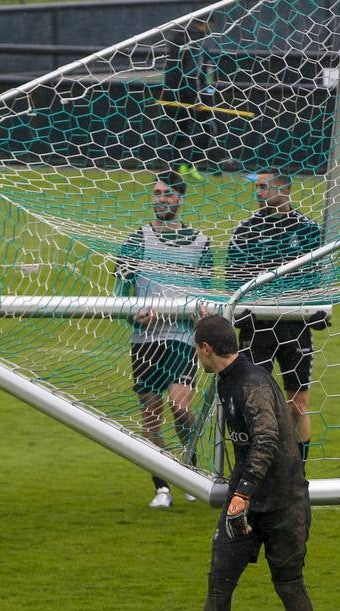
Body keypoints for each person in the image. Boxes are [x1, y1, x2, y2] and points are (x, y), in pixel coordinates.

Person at [163, 314, 316, 611]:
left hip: (282, 503)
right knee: (219, 585)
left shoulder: (251, 383)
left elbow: (265, 441)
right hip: (246, 502)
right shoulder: (231, 378)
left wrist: (242, 495)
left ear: (205, 349)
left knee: (289, 584)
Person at [115, 170, 212, 509]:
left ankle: (191, 467)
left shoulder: (201, 242)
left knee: (180, 406)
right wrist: (132, 313)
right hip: (145, 340)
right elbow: (119, 293)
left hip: (182, 339)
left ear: (181, 199)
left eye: (168, 194)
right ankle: (162, 487)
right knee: (151, 415)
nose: (161, 199)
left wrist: (203, 315)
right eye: (156, 193)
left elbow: (209, 293)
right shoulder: (136, 240)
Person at [226, 171, 326, 463]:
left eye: (264, 187)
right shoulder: (245, 230)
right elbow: (232, 276)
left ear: (284, 189)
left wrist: (319, 305)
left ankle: (299, 473)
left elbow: (320, 275)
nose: (259, 193)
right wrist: (238, 309)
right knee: (253, 403)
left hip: (295, 326)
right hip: (257, 327)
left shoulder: (307, 229)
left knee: (298, 404)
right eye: (256, 187)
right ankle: (253, 468)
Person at [160, 15, 216, 183]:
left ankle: (175, 168)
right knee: (210, 128)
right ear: (206, 24)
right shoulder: (195, 41)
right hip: (187, 97)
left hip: (170, 95)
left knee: (180, 131)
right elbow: (191, 75)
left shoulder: (176, 37)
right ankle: (188, 164)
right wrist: (196, 100)